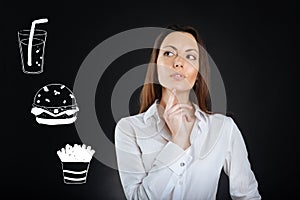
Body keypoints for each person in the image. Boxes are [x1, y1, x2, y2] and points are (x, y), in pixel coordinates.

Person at [114, 24, 261, 200]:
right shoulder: (129, 129)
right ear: (155, 67)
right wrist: (179, 141)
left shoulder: (223, 128)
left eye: (190, 56)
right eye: (169, 53)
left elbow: (248, 196)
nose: (178, 62)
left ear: (198, 74)